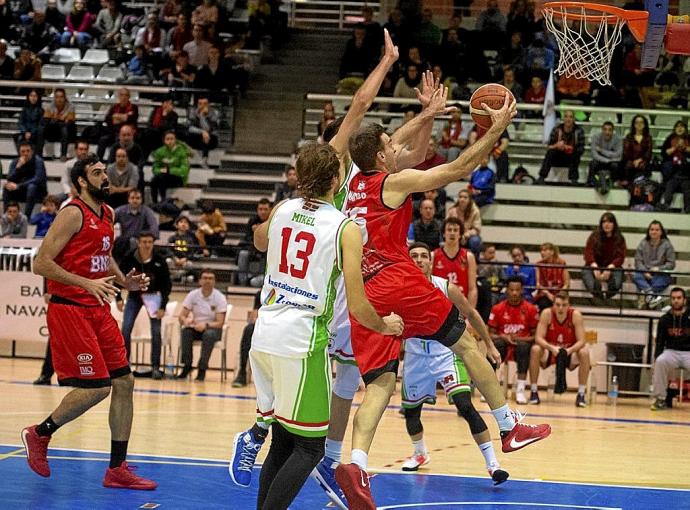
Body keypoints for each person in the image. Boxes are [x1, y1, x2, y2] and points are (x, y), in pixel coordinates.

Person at [335, 87, 550, 510]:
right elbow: (460, 166)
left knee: (379, 383)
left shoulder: (351, 184)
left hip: (364, 290)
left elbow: (392, 139)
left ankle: (356, 464)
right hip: (401, 280)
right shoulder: (394, 182)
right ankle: (509, 426)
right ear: (381, 157)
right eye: (388, 146)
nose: (394, 146)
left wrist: (426, 112)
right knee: (465, 342)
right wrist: (496, 132)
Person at [229, 142, 404, 510]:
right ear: (337, 179)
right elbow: (357, 303)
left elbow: (259, 240)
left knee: (283, 440)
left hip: (265, 330)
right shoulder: (345, 228)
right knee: (311, 448)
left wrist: (282, 216)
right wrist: (385, 325)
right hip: (302, 340)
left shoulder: (282, 210)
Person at [21, 154, 157, 490]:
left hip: (97, 308)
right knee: (97, 387)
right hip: (70, 309)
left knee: (125, 383)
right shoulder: (71, 213)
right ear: (82, 181)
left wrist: (123, 281)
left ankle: (116, 468)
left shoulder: (108, 213)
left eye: (105, 171)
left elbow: (104, 253)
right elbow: (40, 264)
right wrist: (86, 283)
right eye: (97, 173)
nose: (106, 177)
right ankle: (39, 434)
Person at [401, 242, 508, 484]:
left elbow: (471, 313)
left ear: (431, 261)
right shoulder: (400, 288)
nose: (418, 260)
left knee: (465, 405)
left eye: (423, 256)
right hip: (416, 356)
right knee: (411, 413)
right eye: (414, 256)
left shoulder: (445, 287)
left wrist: (489, 345)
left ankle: (493, 464)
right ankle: (420, 454)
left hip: (445, 352)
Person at [118, 231, 172, 379]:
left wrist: (162, 306)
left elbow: (167, 285)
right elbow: (119, 277)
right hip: (134, 296)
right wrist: (118, 298)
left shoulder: (159, 260)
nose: (147, 245)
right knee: (126, 328)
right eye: (144, 242)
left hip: (154, 297)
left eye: (150, 242)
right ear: (139, 243)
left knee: (156, 331)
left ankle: (155, 367)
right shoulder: (129, 257)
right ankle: (124, 365)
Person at [529, 291, 590, 407]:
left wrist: (568, 351)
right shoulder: (547, 313)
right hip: (551, 351)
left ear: (569, 305)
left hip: (569, 352)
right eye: (557, 305)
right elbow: (538, 338)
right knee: (535, 349)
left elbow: (582, 340)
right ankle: (533, 391)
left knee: (584, 351)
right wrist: (551, 348)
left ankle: (581, 394)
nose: (560, 308)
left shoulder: (576, 315)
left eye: (564, 305)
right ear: (553, 304)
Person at [489, 276, 539, 405]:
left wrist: (520, 338)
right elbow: (490, 334)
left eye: (517, 290)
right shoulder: (497, 308)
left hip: (521, 346)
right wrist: (503, 337)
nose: (514, 293)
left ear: (522, 290)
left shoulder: (531, 309)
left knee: (524, 346)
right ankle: (490, 389)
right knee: (496, 345)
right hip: (503, 344)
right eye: (511, 289)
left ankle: (520, 390)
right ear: (507, 290)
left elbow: (535, 336)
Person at [176, 270, 226, 381]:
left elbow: (220, 322)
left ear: (214, 281)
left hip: (213, 329)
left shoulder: (219, 297)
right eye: (205, 278)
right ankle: (187, 365)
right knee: (186, 332)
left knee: (208, 335)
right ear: (200, 281)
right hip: (196, 327)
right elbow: (181, 316)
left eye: (210, 278)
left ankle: (202, 368)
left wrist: (206, 325)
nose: (207, 281)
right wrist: (186, 321)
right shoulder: (193, 295)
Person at [650, 287, 690, 410]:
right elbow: (660, 342)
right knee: (660, 362)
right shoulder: (664, 320)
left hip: (688, 352)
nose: (676, 301)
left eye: (679, 298)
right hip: (671, 352)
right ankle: (660, 399)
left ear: (684, 300)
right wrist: (655, 360)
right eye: (673, 298)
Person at [432, 217, 477, 307]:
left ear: (460, 235)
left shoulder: (468, 257)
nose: (452, 233)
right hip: (439, 306)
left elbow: (472, 289)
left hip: (461, 307)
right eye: (449, 230)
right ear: (444, 234)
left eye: (455, 230)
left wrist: (470, 316)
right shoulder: (433, 256)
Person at [582, 212, 626, 305]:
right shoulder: (594, 236)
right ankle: (598, 295)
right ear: (601, 224)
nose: (607, 224)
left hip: (612, 267)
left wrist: (610, 267)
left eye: (610, 222)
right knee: (585, 271)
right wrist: (594, 266)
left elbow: (620, 257)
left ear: (614, 224)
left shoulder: (620, 238)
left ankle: (609, 295)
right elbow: (588, 253)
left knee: (618, 276)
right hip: (594, 266)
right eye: (604, 222)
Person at [633, 220, 675, 309]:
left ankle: (646, 294)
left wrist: (659, 268)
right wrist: (644, 272)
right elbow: (638, 261)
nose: (654, 232)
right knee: (636, 276)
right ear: (649, 231)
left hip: (660, 274)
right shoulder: (643, 243)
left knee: (665, 278)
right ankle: (652, 295)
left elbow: (671, 264)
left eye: (657, 230)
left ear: (661, 232)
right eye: (652, 229)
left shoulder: (667, 245)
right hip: (644, 273)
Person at [537, 111, 585, 184]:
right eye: (566, 116)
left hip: (571, 158)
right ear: (563, 118)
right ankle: (541, 177)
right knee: (550, 152)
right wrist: (556, 145)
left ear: (574, 119)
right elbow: (549, 146)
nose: (568, 119)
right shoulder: (556, 129)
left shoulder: (579, 131)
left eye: (570, 117)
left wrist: (569, 148)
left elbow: (581, 149)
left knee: (576, 155)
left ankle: (574, 180)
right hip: (557, 157)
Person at [3, 141, 47, 217]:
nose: (25, 154)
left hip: (37, 192)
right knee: (7, 187)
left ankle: (26, 217)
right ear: (19, 152)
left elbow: (38, 179)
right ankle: (6, 216)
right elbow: (9, 178)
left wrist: (18, 186)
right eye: (23, 151)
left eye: (28, 151)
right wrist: (17, 168)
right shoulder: (16, 162)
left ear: (32, 151)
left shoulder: (38, 161)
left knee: (32, 187)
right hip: (21, 190)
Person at [113, 190, 159, 262]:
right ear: (128, 199)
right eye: (132, 198)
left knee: (134, 242)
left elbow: (154, 230)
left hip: (141, 242)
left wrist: (144, 239)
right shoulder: (120, 210)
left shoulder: (147, 211)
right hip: (124, 243)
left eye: (137, 198)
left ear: (141, 200)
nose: (135, 200)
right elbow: (108, 222)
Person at [97, 88, 139, 160]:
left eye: (126, 95)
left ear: (129, 97)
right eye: (122, 95)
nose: (124, 97)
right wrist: (123, 117)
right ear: (119, 96)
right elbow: (108, 119)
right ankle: (98, 161)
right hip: (113, 132)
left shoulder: (134, 107)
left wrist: (116, 117)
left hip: (127, 134)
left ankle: (113, 161)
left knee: (118, 141)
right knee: (102, 140)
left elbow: (131, 119)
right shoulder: (114, 107)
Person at [150, 131, 192, 202]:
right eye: (167, 139)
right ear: (164, 140)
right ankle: (155, 202)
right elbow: (154, 169)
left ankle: (163, 201)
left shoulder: (182, 152)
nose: (170, 141)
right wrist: (161, 170)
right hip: (163, 177)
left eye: (172, 139)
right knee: (155, 180)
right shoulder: (160, 151)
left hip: (178, 178)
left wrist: (170, 170)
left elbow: (184, 170)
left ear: (175, 140)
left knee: (162, 178)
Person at [236, 199, 271, 285]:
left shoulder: (273, 221)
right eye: (260, 209)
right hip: (253, 247)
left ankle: (263, 278)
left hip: (268, 249)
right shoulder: (253, 221)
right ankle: (243, 281)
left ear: (270, 210)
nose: (262, 212)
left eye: (265, 209)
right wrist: (255, 234)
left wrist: (260, 233)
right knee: (243, 253)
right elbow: (247, 237)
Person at [231, 290, 261, 388]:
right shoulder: (260, 293)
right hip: (264, 324)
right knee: (248, 329)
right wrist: (256, 320)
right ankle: (242, 372)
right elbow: (254, 314)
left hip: (280, 327)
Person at [659, 120, 690, 212]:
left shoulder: (689, 138)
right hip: (673, 173)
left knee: (688, 191)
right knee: (669, 188)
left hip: (687, 173)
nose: (680, 128)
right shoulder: (670, 138)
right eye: (677, 126)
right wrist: (674, 148)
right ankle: (665, 206)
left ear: (685, 129)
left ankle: (688, 209)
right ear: (674, 128)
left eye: (682, 126)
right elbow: (664, 153)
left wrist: (685, 148)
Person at [445, 189, 482, 256]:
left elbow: (477, 229)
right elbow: (446, 226)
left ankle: (474, 262)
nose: (462, 199)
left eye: (465, 197)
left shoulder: (475, 211)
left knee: (475, 241)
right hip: (454, 234)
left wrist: (467, 234)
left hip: (468, 237)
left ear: (469, 199)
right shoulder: (452, 210)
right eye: (460, 197)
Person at [43, 88, 76, 161]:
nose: (59, 99)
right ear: (54, 98)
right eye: (57, 97)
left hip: (66, 129)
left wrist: (56, 118)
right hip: (53, 129)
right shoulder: (50, 106)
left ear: (65, 97)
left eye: (61, 97)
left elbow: (70, 121)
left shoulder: (71, 106)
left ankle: (63, 155)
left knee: (64, 129)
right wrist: (61, 119)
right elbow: (46, 120)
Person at [619, 115, 653, 188]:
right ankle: (631, 184)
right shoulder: (629, 137)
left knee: (643, 167)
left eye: (641, 122)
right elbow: (626, 152)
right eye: (637, 122)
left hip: (643, 162)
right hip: (630, 162)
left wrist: (640, 160)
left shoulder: (648, 138)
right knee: (627, 166)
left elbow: (648, 153)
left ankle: (638, 184)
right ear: (634, 125)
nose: (639, 124)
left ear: (645, 125)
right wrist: (633, 161)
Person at [587, 121, 622, 189]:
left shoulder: (617, 139)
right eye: (605, 129)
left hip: (612, 161)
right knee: (592, 164)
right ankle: (591, 183)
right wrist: (607, 160)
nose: (607, 132)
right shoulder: (595, 137)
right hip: (601, 160)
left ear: (613, 131)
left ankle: (614, 183)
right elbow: (594, 154)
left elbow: (618, 155)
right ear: (602, 130)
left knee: (616, 165)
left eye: (610, 130)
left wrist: (601, 150)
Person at [534, 242, 569, 311]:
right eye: (541, 251)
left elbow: (566, 284)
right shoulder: (539, 264)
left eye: (544, 250)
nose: (542, 253)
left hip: (560, 293)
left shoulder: (562, 263)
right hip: (545, 294)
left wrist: (559, 295)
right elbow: (538, 284)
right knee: (544, 304)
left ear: (552, 252)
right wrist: (548, 294)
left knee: (560, 304)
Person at [185, 96, 219, 167]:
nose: (202, 106)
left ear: (208, 104)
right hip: (197, 136)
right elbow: (190, 128)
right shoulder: (193, 112)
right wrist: (202, 132)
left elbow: (208, 129)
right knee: (187, 135)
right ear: (197, 104)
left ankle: (204, 159)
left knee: (206, 138)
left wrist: (202, 116)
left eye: (205, 104)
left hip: (211, 138)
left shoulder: (213, 113)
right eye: (200, 104)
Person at [166, 215, 198, 279]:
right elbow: (168, 250)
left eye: (186, 222)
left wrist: (185, 258)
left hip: (185, 260)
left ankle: (176, 276)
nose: (183, 224)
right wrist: (174, 258)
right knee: (168, 261)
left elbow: (192, 252)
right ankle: (179, 276)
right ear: (176, 225)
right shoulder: (172, 238)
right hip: (174, 259)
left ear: (188, 226)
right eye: (181, 222)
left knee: (189, 264)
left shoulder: (191, 239)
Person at [16, 89, 44, 156]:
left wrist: (31, 132)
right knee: (18, 138)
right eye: (31, 96)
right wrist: (25, 131)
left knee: (40, 134)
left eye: (35, 96)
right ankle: (21, 157)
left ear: (38, 97)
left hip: (35, 133)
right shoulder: (24, 109)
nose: (33, 98)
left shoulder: (41, 110)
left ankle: (36, 156)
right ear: (28, 97)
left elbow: (40, 124)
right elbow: (20, 122)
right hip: (25, 132)